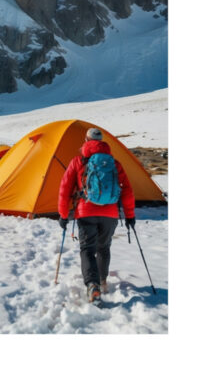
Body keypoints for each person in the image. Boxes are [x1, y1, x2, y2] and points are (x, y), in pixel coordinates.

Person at [58, 128, 135, 303]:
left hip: (86, 212)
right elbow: (127, 191)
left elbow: (64, 189)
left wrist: (63, 215)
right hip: (110, 213)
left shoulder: (78, 161)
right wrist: (130, 215)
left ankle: (93, 286)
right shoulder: (115, 163)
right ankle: (102, 280)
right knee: (104, 248)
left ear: (86, 140)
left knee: (87, 249)